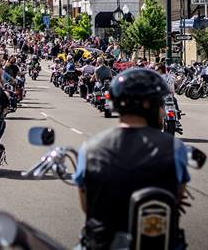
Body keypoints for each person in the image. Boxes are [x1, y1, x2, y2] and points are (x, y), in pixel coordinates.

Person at [74, 67, 191, 249]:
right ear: (147, 104)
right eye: (159, 102)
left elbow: (87, 205)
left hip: (102, 243)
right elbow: (178, 196)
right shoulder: (174, 147)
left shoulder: (90, 148)